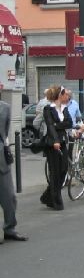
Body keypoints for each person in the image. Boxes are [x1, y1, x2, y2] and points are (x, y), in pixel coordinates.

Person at [40, 85, 72, 210]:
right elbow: (50, 126)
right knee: (55, 172)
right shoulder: (48, 109)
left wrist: (57, 124)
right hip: (53, 143)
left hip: (63, 142)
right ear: (60, 95)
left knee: (64, 169)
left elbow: (69, 122)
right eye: (65, 94)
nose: (67, 96)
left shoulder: (64, 108)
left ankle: (47, 196)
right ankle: (56, 201)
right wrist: (55, 140)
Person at [0, 98, 28, 242]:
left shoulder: (5, 107)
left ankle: (10, 228)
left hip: (1, 158)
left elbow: (4, 132)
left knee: (9, 197)